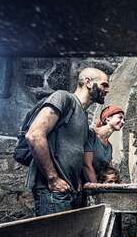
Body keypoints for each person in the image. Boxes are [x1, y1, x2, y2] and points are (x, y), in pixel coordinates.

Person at [25, 67, 110, 216]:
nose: (107, 90)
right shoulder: (63, 98)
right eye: (104, 85)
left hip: (70, 191)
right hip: (53, 192)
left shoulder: (83, 116)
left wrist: (76, 179)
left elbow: (74, 152)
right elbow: (34, 135)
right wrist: (53, 178)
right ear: (88, 82)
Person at [83, 104, 125, 183]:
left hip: (101, 184)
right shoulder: (91, 134)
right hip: (87, 184)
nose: (123, 122)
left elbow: (109, 170)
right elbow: (87, 165)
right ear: (108, 119)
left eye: (124, 119)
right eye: (120, 117)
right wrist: (97, 189)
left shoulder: (109, 147)